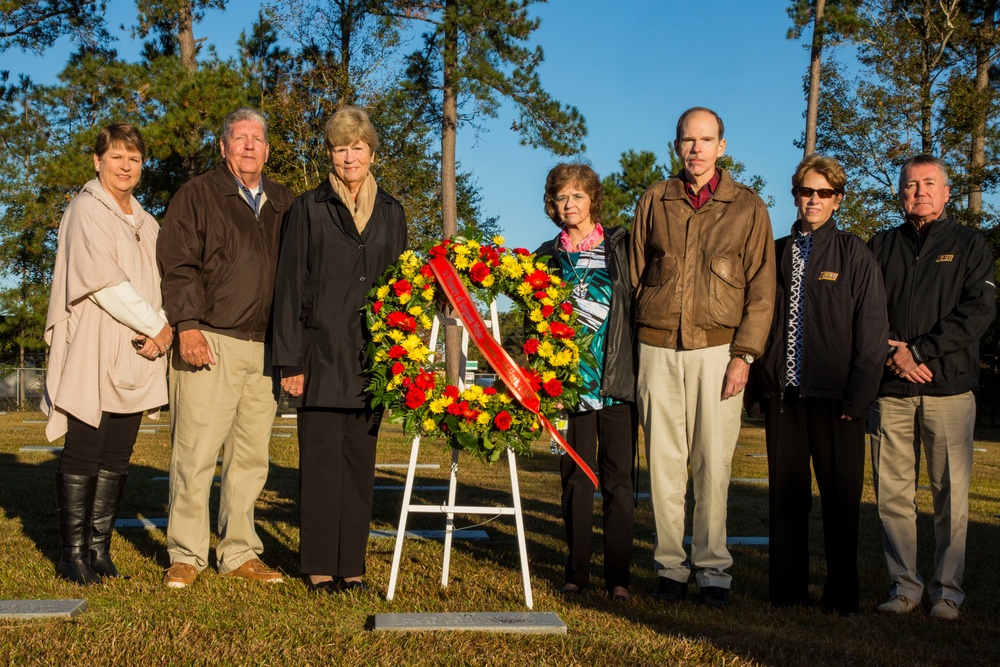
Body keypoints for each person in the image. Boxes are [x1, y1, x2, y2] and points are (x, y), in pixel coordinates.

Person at [629, 107, 775, 609]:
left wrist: (745, 354)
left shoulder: (748, 206)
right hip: (656, 347)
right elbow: (633, 276)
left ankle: (713, 572)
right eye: (688, 140)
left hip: (719, 352)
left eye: (706, 139)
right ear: (677, 146)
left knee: (713, 464)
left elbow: (761, 290)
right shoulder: (654, 200)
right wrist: (634, 348)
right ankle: (670, 569)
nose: (696, 149)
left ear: (722, 146)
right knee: (665, 466)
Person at [156, 108, 295, 588]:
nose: (250, 146)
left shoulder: (283, 201)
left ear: (268, 149)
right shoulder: (197, 195)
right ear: (223, 147)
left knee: (251, 459)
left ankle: (239, 551)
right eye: (240, 138)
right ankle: (186, 554)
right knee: (194, 454)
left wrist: (292, 346)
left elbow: (297, 278)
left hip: (264, 348)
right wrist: (188, 325)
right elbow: (178, 266)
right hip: (209, 340)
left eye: (257, 138)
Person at [272, 106, 406, 594]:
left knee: (358, 470)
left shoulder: (393, 211)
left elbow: (402, 291)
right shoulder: (308, 207)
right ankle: (318, 566)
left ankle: (352, 565)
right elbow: (289, 286)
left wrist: (398, 359)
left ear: (372, 152)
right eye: (340, 148)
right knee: (322, 469)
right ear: (330, 154)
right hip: (320, 358)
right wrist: (290, 360)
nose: (349, 156)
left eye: (357, 147)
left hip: (371, 362)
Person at [747, 155, 887, 614]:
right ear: (795, 195)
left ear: (837, 200)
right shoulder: (775, 250)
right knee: (787, 499)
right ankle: (786, 592)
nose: (814, 200)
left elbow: (871, 331)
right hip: (784, 397)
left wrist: (859, 396)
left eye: (824, 193)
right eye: (807, 191)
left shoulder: (854, 253)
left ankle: (842, 596)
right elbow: (758, 318)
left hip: (837, 400)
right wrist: (758, 386)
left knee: (841, 500)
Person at [43, 122, 173, 585]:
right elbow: (103, 283)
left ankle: (99, 549)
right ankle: (71, 552)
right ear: (97, 161)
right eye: (116, 157)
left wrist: (163, 331)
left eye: (134, 159)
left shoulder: (146, 220)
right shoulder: (86, 209)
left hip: (138, 349)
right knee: (85, 448)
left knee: (118, 452)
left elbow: (158, 283)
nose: (125, 166)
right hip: (97, 344)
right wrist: (156, 325)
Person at [868, 154, 996, 621]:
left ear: (946, 192)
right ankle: (904, 587)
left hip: (948, 390)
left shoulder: (969, 244)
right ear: (900, 194)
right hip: (890, 390)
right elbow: (860, 310)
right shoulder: (881, 244)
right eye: (909, 184)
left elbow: (978, 312)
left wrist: (919, 352)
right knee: (893, 497)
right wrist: (888, 350)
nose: (918, 191)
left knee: (950, 498)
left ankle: (946, 592)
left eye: (928, 183)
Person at [535, 163, 637, 602]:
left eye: (577, 195)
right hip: (568, 388)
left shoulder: (622, 246)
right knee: (575, 481)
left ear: (592, 199)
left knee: (619, 482)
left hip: (615, 380)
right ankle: (576, 572)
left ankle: (619, 577)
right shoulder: (544, 256)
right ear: (552, 206)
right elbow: (535, 323)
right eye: (561, 197)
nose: (569, 204)